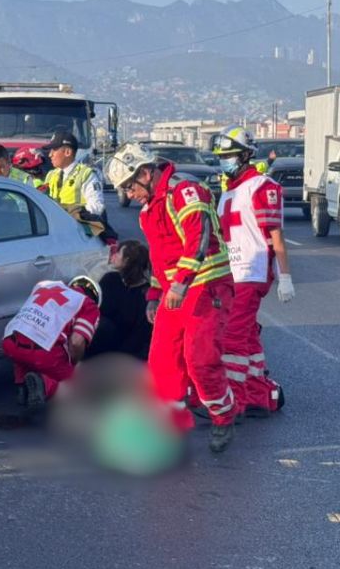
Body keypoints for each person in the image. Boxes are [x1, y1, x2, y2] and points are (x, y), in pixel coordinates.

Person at [114, 143, 238, 453]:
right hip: (175, 292)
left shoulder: (183, 192)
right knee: (162, 361)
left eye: (130, 186)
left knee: (200, 360)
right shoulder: (148, 211)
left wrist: (180, 284)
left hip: (207, 288)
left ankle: (224, 416)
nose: (129, 194)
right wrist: (155, 294)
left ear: (145, 173)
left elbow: (199, 240)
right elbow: (160, 258)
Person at [213, 126, 294, 418]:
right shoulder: (228, 191)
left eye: (231, 155)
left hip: (252, 271)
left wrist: (284, 275)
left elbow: (276, 235)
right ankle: (262, 396)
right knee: (246, 337)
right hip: (231, 273)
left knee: (232, 338)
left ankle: (234, 399)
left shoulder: (262, 186)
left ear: (246, 155)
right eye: (222, 156)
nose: (225, 160)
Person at [1, 276, 102, 408]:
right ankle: (44, 385)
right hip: (41, 354)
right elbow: (76, 342)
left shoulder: (45, 285)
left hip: (9, 343)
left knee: (26, 334)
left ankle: (21, 385)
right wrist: (72, 364)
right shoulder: (88, 304)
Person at [87, 240, 153, 361]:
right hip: (98, 345)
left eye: (118, 253)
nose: (114, 255)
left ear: (127, 261)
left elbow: (140, 336)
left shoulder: (145, 294)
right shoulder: (110, 279)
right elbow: (93, 310)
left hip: (124, 354)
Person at [44, 131, 105, 217]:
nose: (50, 155)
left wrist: (70, 213)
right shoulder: (51, 175)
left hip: (76, 227)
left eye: (54, 150)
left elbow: (97, 207)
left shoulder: (86, 175)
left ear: (67, 152)